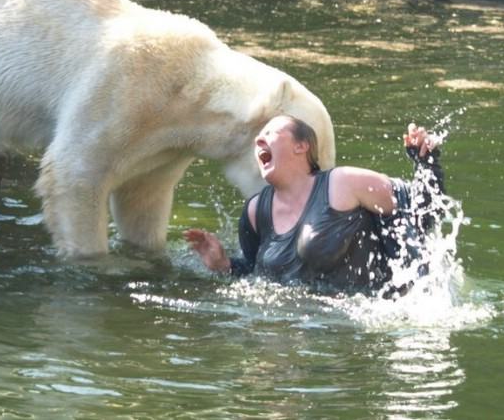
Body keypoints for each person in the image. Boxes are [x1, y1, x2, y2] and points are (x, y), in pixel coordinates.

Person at [184, 116, 446, 295]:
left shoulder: (344, 183)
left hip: (364, 329)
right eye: (257, 138)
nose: (258, 141)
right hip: (297, 336)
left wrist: (426, 162)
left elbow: (425, 211)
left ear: (302, 146)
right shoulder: (255, 212)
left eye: (270, 133)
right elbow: (255, 276)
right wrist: (224, 265)